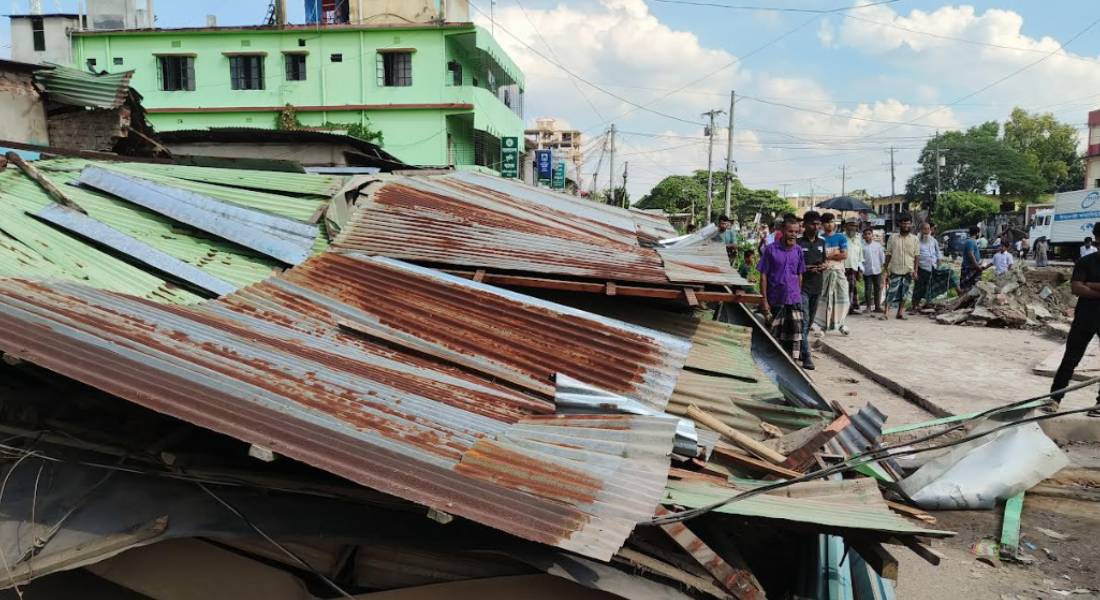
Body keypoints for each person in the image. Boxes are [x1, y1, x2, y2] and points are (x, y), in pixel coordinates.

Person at [1046, 222, 1100, 417]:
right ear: (1097, 239)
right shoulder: (1085, 262)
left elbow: (1083, 287)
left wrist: (1091, 286)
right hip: (1085, 317)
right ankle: (1055, 398)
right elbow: (1076, 288)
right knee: (1070, 358)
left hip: (1089, 311)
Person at [757, 218, 806, 360]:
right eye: (790, 231)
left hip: (794, 299)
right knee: (774, 335)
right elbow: (763, 276)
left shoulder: (798, 251)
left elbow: (799, 275)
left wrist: (798, 294)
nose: (793, 234)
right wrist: (764, 300)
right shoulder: (771, 250)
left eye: (796, 232)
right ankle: (773, 362)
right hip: (775, 299)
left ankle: (793, 362)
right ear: (783, 231)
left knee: (794, 334)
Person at [797, 211, 826, 370]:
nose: (816, 227)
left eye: (817, 224)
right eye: (812, 224)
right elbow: (794, 265)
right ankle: (807, 356)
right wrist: (806, 269)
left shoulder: (822, 242)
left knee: (809, 323)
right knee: (804, 320)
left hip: (817, 286)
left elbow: (824, 261)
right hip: (802, 287)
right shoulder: (798, 243)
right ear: (805, 224)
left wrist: (823, 266)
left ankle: (801, 348)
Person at [815, 213, 851, 335]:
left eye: (832, 221)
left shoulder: (841, 237)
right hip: (824, 272)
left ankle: (841, 324)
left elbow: (844, 255)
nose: (829, 224)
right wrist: (835, 254)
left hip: (838, 271)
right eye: (826, 222)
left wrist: (828, 255)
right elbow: (818, 257)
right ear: (822, 224)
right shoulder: (819, 238)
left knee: (843, 298)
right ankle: (823, 327)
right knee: (825, 299)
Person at [882, 214, 920, 320]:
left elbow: (917, 255)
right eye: (904, 223)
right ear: (900, 224)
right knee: (891, 291)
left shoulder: (915, 239)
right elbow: (888, 253)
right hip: (895, 269)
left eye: (908, 223)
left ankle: (900, 313)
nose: (906, 225)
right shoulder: (892, 237)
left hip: (909, 269)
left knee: (905, 293)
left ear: (911, 225)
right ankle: (886, 312)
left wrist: (916, 271)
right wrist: (885, 268)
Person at [843, 218, 864, 314]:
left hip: (854, 267)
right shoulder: (841, 237)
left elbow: (860, 255)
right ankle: (843, 308)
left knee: (852, 287)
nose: (852, 228)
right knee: (843, 288)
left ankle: (850, 307)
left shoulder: (858, 238)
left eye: (854, 226)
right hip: (842, 266)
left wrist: (860, 269)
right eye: (850, 225)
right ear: (846, 227)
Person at [861, 228, 885, 313]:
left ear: (872, 235)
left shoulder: (878, 246)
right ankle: (868, 307)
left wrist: (883, 269)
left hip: (877, 270)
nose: (868, 235)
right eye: (866, 234)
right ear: (863, 236)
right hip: (867, 271)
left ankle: (877, 307)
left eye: (869, 234)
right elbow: (860, 259)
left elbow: (882, 258)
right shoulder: (862, 246)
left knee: (877, 288)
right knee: (868, 289)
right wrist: (861, 269)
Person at [960, 226, 984, 293]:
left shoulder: (973, 241)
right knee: (968, 286)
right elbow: (971, 255)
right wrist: (977, 266)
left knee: (975, 286)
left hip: (973, 267)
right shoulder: (970, 241)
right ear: (977, 233)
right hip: (970, 267)